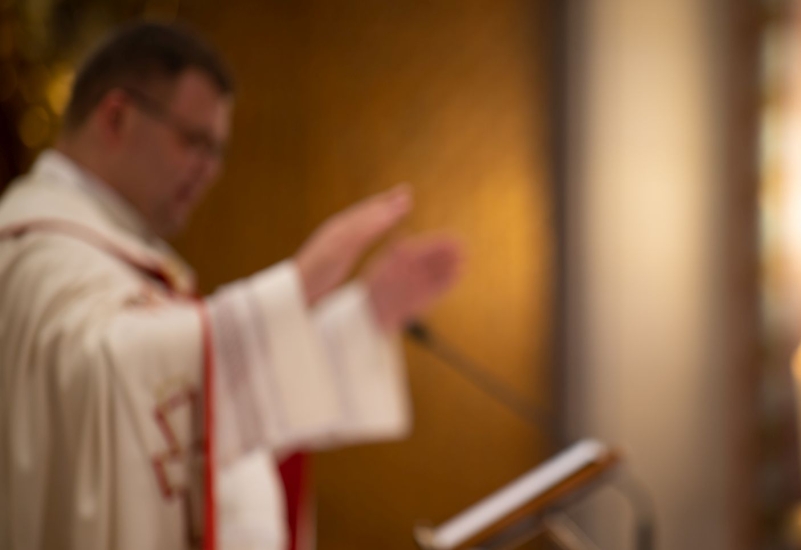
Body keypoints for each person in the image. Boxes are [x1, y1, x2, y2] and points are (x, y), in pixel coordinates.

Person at [0, 21, 463, 550]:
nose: (209, 170)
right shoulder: (35, 249)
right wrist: (296, 286)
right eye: (195, 141)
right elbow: (106, 381)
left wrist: (364, 314)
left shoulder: (121, 255)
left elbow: (216, 396)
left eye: (218, 151)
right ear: (116, 116)